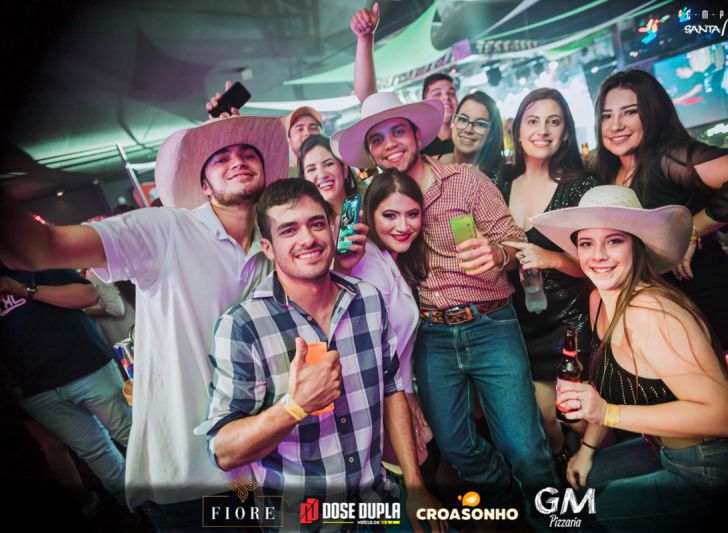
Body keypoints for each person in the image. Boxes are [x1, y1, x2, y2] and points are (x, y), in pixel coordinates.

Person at [0, 116, 303, 529]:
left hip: (256, 466)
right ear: (204, 186)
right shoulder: (165, 230)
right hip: (188, 477)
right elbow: (39, 249)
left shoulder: (273, 246)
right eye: (221, 158)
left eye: (248, 154)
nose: (238, 160)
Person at [331, 91, 557, 527]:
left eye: (398, 131)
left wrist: (499, 253)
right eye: (377, 139)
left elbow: (517, 245)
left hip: (491, 323)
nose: (390, 144)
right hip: (431, 335)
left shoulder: (466, 181)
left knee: (525, 448)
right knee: (456, 448)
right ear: (371, 153)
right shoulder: (371, 205)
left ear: (418, 135)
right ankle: (514, 509)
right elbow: (356, 272)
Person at [195, 179, 443, 532]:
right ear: (268, 247)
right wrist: (294, 406)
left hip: (377, 505)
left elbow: (391, 389)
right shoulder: (243, 326)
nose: (308, 238)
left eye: (316, 224)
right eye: (289, 230)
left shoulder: (367, 300)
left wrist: (416, 486)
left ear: (331, 228)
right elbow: (223, 451)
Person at [530, 185, 728, 529]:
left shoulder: (652, 313)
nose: (598, 255)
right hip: (661, 449)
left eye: (614, 241)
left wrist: (607, 412)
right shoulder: (598, 301)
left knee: (561, 517)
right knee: (569, 489)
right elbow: (605, 389)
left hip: (708, 467)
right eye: (586, 243)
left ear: (636, 245)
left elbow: (727, 418)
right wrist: (586, 450)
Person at [593, 69, 728, 354]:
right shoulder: (606, 171)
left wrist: (691, 228)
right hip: (653, 302)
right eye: (607, 116)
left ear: (653, 113)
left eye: (630, 112)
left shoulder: (668, 157)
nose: (616, 125)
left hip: (698, 293)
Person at [494, 88, 596, 471]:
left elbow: (598, 263)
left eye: (554, 122)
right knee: (544, 421)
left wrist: (551, 258)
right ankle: (563, 477)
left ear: (565, 133)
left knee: (579, 416)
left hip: (569, 321)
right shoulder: (499, 182)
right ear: (518, 130)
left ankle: (598, 477)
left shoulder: (580, 187)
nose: (543, 130)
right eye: (533, 121)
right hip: (518, 322)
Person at [0, 267, 132, 505]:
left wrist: (21, 289)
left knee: (130, 434)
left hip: (86, 365)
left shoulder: (24, 257)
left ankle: (183, 496)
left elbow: (88, 295)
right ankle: (140, 509)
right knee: (96, 452)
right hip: (36, 390)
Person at [351, 169, 434, 468]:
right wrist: (401, 404)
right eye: (390, 215)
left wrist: (409, 395)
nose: (403, 226)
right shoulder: (369, 265)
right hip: (376, 398)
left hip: (396, 390)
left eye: (412, 214)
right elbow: (373, 354)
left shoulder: (393, 260)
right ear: (370, 216)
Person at [351, 3, 458, 157]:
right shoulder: (415, 141)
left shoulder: (466, 139)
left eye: (451, 93)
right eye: (437, 94)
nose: (446, 98)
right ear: (425, 102)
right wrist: (365, 39)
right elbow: (368, 98)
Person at [437, 90, 505, 182]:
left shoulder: (501, 178)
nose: (468, 130)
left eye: (480, 124)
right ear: (453, 121)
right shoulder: (431, 165)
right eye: (463, 119)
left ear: (491, 135)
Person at [296, 134, 358, 218]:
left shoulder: (367, 207)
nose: (322, 175)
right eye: (311, 169)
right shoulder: (308, 221)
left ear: (344, 169)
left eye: (329, 164)